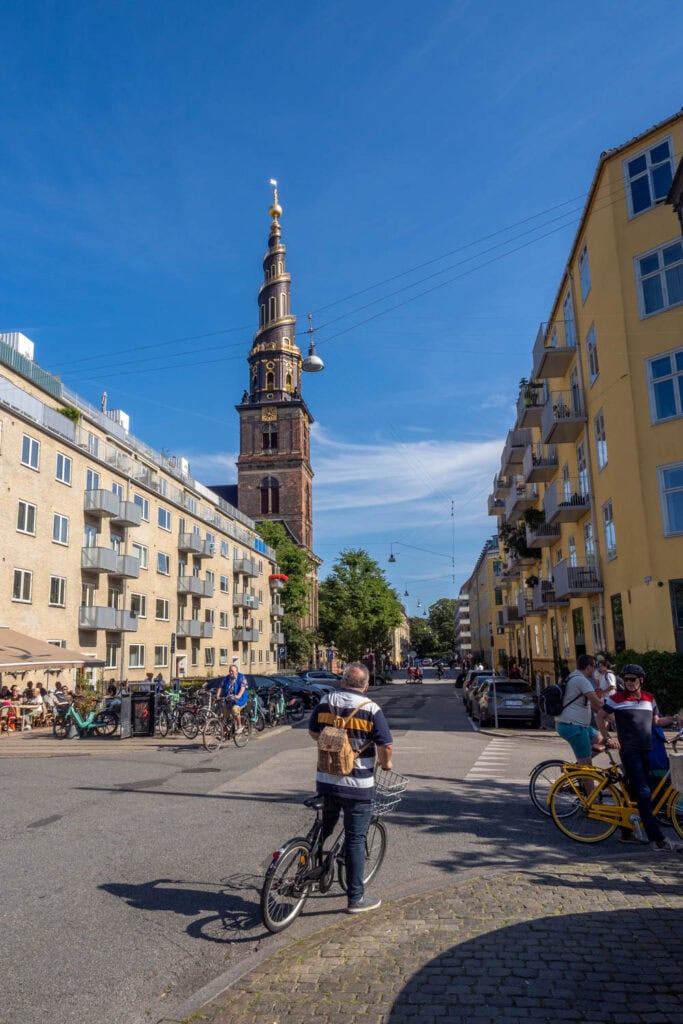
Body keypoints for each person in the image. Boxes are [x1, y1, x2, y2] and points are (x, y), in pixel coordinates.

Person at [308, 662, 394, 914]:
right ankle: (355, 898)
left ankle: (308, 865)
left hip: (325, 779)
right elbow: (385, 745)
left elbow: (314, 732)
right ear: (365, 685)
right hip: (358, 785)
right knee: (356, 839)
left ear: (343, 681)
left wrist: (334, 739)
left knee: (324, 827)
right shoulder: (370, 708)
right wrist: (386, 764)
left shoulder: (326, 701)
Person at [597, 663, 682, 852]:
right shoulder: (617, 699)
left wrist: (675, 718)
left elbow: (657, 721)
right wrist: (608, 738)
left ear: (640, 680)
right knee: (644, 792)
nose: (628, 682)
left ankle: (627, 832)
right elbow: (600, 716)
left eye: (632, 679)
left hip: (647, 749)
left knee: (637, 790)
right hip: (629, 750)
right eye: (626, 679)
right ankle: (658, 838)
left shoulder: (649, 699)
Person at [554, 654, 606, 769]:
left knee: (602, 740)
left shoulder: (571, 677)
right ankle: (583, 771)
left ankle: (579, 768)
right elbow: (598, 702)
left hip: (573, 725)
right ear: (588, 667)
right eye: (594, 666)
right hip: (574, 727)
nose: (595, 670)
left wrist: (610, 718)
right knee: (587, 767)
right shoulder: (581, 680)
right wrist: (618, 713)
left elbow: (592, 705)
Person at [218, 664, 248, 731]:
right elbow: (220, 686)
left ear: (236, 671)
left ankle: (239, 725)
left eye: (232, 671)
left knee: (234, 709)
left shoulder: (241, 677)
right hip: (229, 699)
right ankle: (224, 732)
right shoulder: (227, 678)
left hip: (240, 700)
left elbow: (243, 688)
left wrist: (238, 696)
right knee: (224, 714)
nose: (230, 672)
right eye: (229, 671)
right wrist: (218, 696)